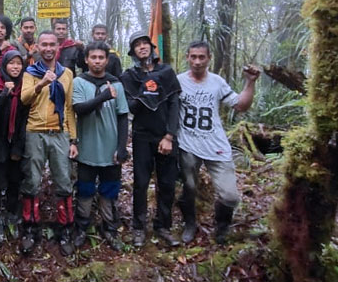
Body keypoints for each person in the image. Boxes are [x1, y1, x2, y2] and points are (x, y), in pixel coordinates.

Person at [177, 41, 259, 245]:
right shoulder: (177, 81)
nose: (197, 62)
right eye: (193, 57)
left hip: (216, 145)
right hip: (187, 144)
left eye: (201, 57)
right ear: (187, 57)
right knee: (188, 187)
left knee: (230, 195)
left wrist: (250, 82)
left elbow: (240, 105)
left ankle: (221, 227)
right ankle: (189, 223)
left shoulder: (217, 82)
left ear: (208, 58)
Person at [119, 31, 181, 248]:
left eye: (145, 43)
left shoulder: (166, 72)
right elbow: (128, 106)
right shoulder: (129, 77)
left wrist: (169, 136)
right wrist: (144, 91)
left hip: (165, 135)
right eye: (137, 45)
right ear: (133, 51)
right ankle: (138, 228)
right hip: (142, 135)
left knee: (166, 183)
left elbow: (174, 105)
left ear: (152, 48)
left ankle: (163, 226)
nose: (142, 47)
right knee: (141, 183)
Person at [19, 30, 78, 256]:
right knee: (32, 180)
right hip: (35, 132)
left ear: (57, 47)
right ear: (38, 48)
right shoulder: (31, 72)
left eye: (52, 44)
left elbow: (70, 108)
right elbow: (24, 98)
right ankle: (30, 229)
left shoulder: (67, 74)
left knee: (63, 180)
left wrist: (73, 139)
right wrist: (42, 83)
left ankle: (64, 229)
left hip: (60, 132)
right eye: (44, 44)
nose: (48, 48)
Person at [72, 41, 129, 252]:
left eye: (101, 58)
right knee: (85, 190)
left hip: (110, 149)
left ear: (107, 60)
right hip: (86, 148)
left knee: (109, 190)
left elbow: (123, 117)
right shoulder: (79, 81)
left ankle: (109, 228)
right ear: (86, 59)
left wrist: (122, 147)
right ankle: (81, 228)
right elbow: (79, 109)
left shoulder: (117, 84)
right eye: (93, 57)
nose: (97, 61)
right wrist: (103, 96)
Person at [0, 50, 28, 244]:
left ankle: (11, 213)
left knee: (14, 180)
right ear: (4, 65)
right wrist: (4, 94)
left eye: (19, 63)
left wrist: (19, 146)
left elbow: (25, 120)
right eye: (12, 63)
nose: (15, 67)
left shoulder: (25, 88)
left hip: (16, 143)